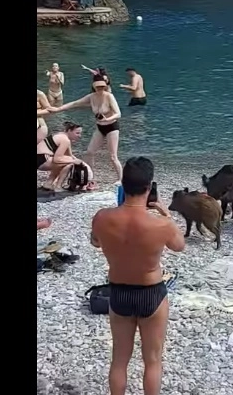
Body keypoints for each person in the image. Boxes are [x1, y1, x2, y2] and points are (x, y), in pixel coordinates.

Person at [90, 157, 185, 395]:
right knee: (152, 361)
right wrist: (166, 214)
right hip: (151, 292)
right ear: (150, 186)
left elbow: (95, 242)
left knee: (119, 360)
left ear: (123, 183)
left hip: (119, 292)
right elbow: (179, 245)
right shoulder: (161, 224)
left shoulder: (102, 217)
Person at [51, 75, 123, 183]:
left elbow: (118, 114)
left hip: (112, 127)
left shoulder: (109, 96)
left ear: (105, 87)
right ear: (94, 87)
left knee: (113, 156)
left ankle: (121, 179)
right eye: (98, 87)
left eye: (102, 87)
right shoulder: (91, 97)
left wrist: (107, 119)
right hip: (100, 128)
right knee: (89, 152)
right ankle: (90, 176)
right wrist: (58, 109)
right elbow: (75, 103)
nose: (100, 89)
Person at [37, 121, 91, 191]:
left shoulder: (62, 136)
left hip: (41, 158)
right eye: (77, 133)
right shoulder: (65, 140)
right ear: (69, 131)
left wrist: (85, 167)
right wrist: (74, 161)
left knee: (67, 160)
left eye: (80, 133)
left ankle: (48, 184)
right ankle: (58, 187)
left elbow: (70, 156)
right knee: (69, 163)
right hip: (41, 159)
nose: (79, 136)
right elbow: (57, 159)